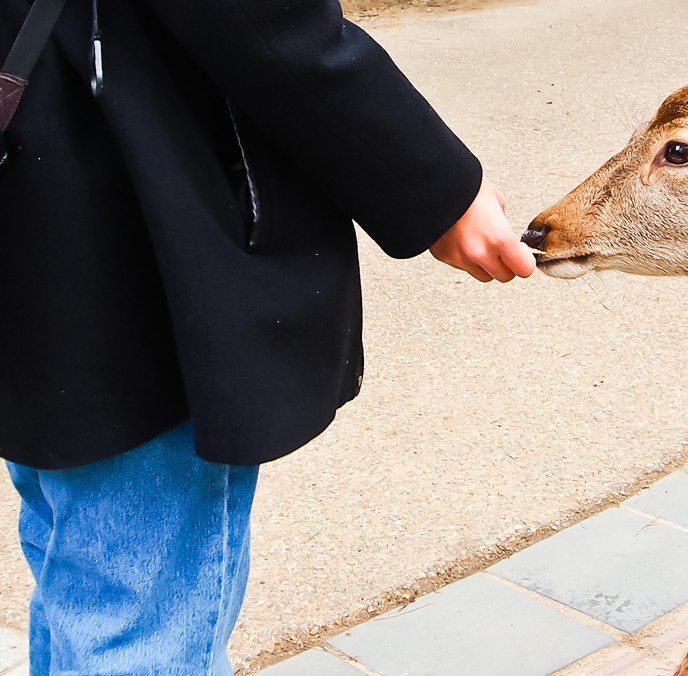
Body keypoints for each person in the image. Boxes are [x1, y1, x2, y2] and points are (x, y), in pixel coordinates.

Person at [0, 0, 535, 671]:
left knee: (80, 569)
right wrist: (435, 186)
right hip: (121, 202)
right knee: (134, 620)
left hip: (36, 166)